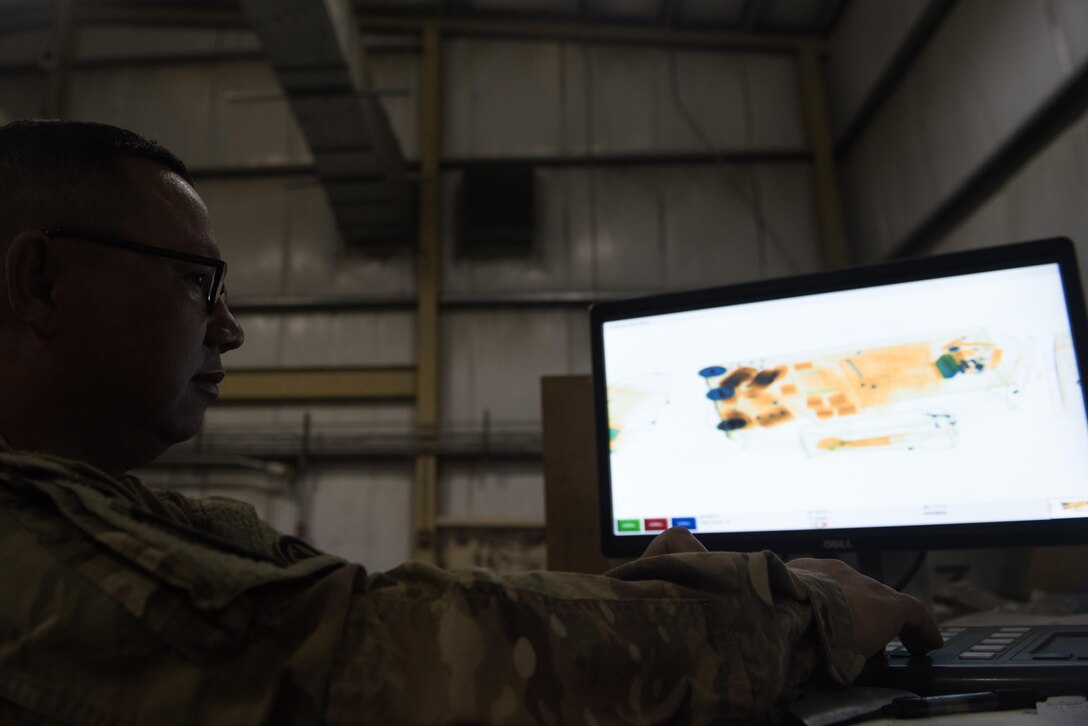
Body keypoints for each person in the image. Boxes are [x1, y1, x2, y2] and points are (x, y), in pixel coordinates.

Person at [0, 119, 942, 725]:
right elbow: (396, 665)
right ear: (40, 281)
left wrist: (664, 601)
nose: (231, 328)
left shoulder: (117, 512)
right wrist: (803, 612)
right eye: (197, 281)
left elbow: (355, 601)